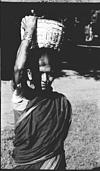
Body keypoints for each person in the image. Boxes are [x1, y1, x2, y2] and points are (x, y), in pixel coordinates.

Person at [11, 13, 72, 170]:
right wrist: (28, 33)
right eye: (40, 73)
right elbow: (18, 68)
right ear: (30, 73)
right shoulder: (22, 96)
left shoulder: (60, 103)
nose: (45, 78)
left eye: (50, 73)